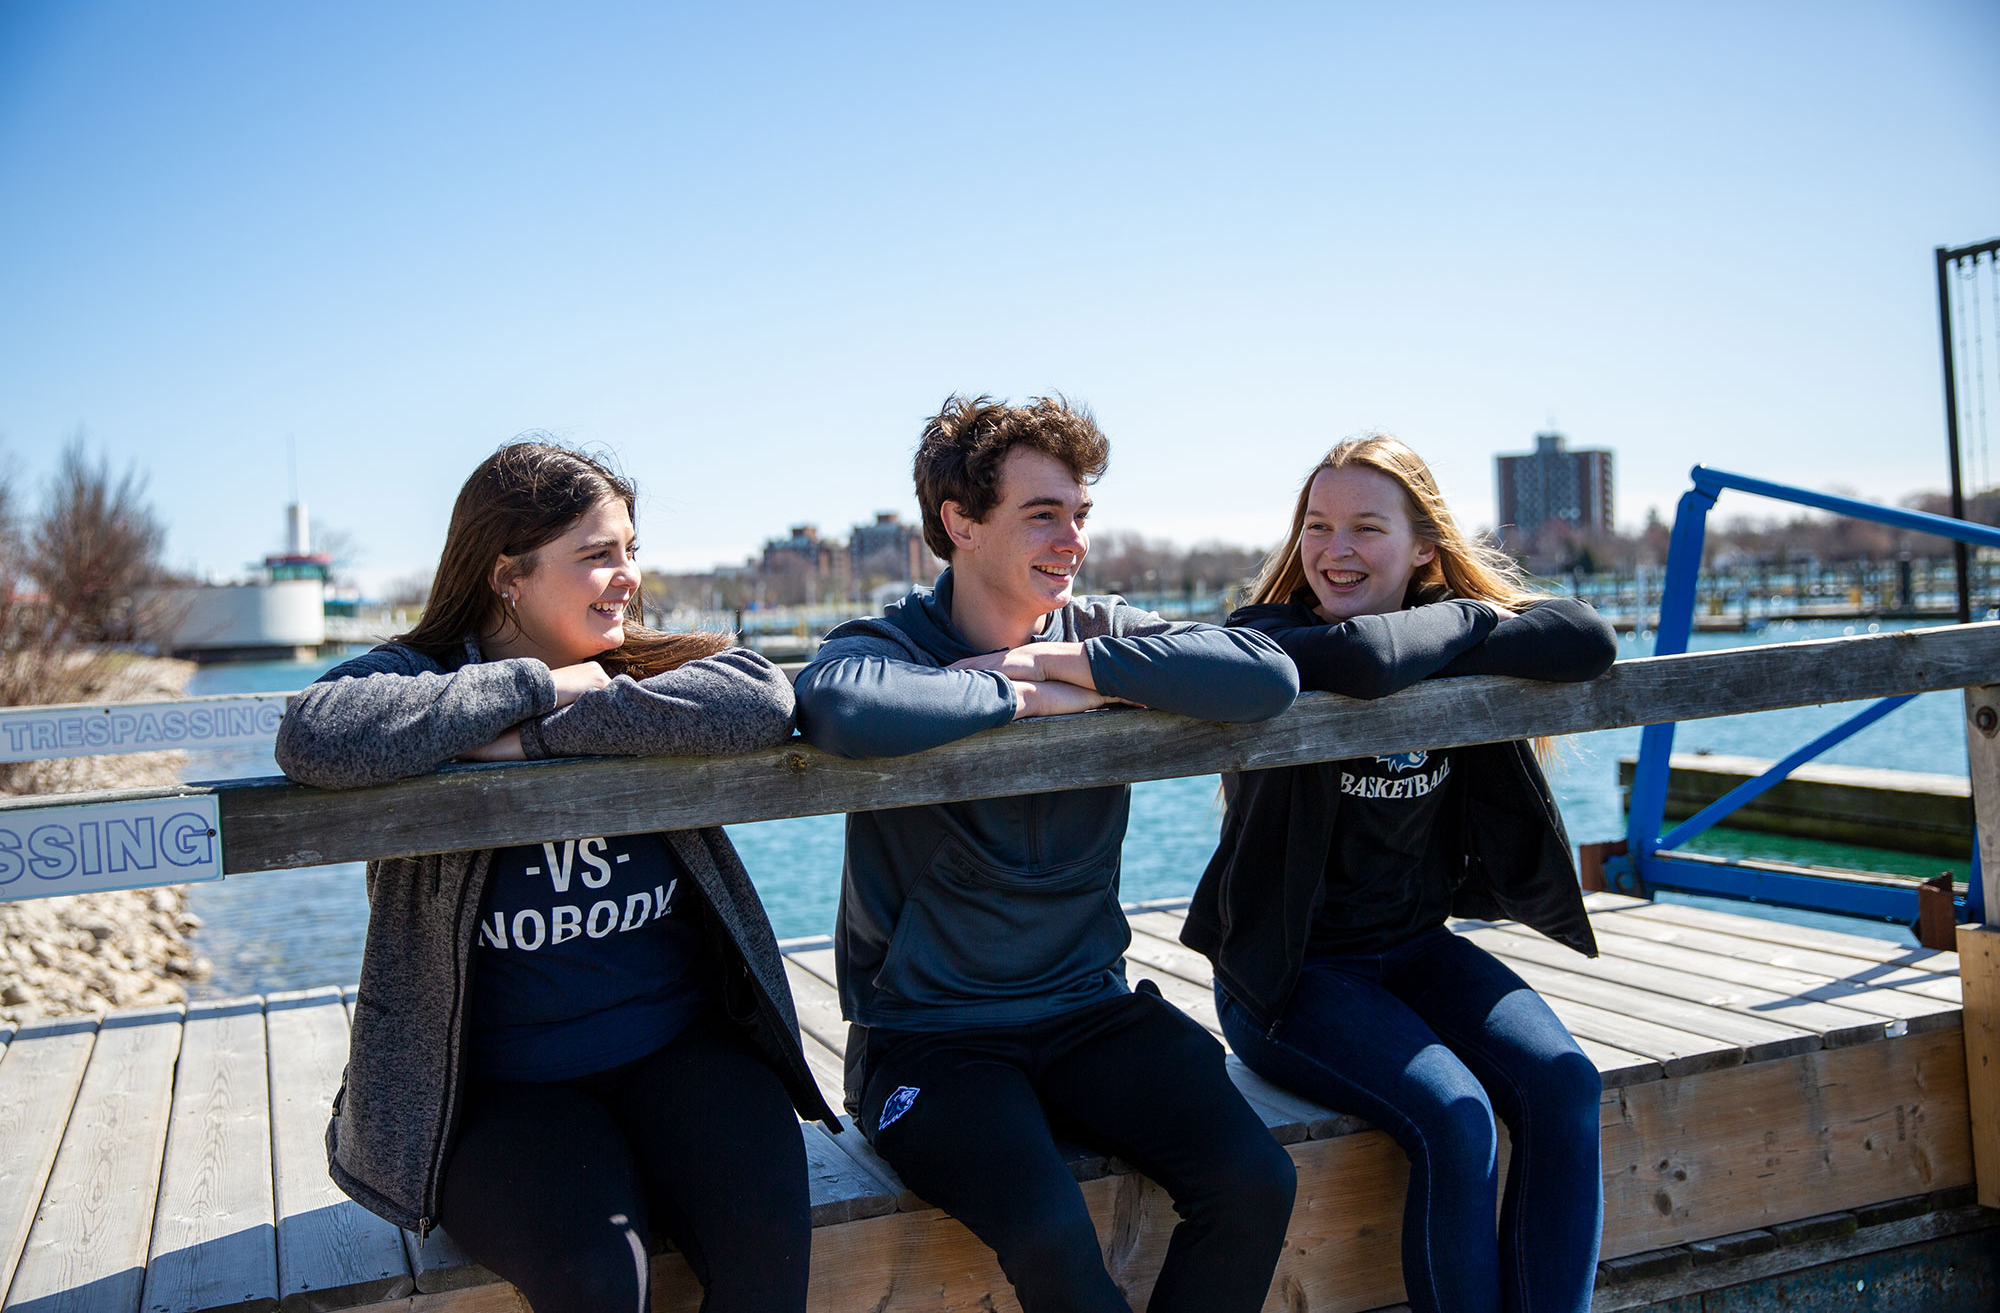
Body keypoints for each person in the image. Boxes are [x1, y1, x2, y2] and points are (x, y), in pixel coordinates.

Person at [276, 442, 833, 1313]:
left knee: (768, 1254)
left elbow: (762, 697)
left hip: (678, 1047)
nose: (628, 578)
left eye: (630, 550)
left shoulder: (646, 666)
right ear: (508, 574)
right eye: (597, 555)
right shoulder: (421, 678)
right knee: (599, 1281)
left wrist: (533, 736)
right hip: (500, 1086)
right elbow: (317, 733)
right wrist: (541, 683)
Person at [792, 395, 1301, 1313]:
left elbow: (1266, 675)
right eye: (1042, 514)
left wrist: (1081, 670)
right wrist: (1020, 695)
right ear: (960, 523)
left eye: (1080, 515)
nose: (1072, 539)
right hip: (929, 1038)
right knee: (1052, 1235)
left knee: (1255, 1178)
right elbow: (840, 707)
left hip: (1086, 1010)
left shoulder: (1098, 632)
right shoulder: (890, 645)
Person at [1181, 434, 1619, 1313]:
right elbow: (1367, 661)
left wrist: (1461, 619)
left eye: (1365, 528)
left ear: (1425, 546)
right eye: (1318, 525)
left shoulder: (1440, 629)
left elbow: (1587, 638)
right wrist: (1475, 621)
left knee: (1565, 1083)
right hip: (1287, 976)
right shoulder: (1266, 637)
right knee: (1456, 1118)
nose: (1334, 550)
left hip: (1415, 952)